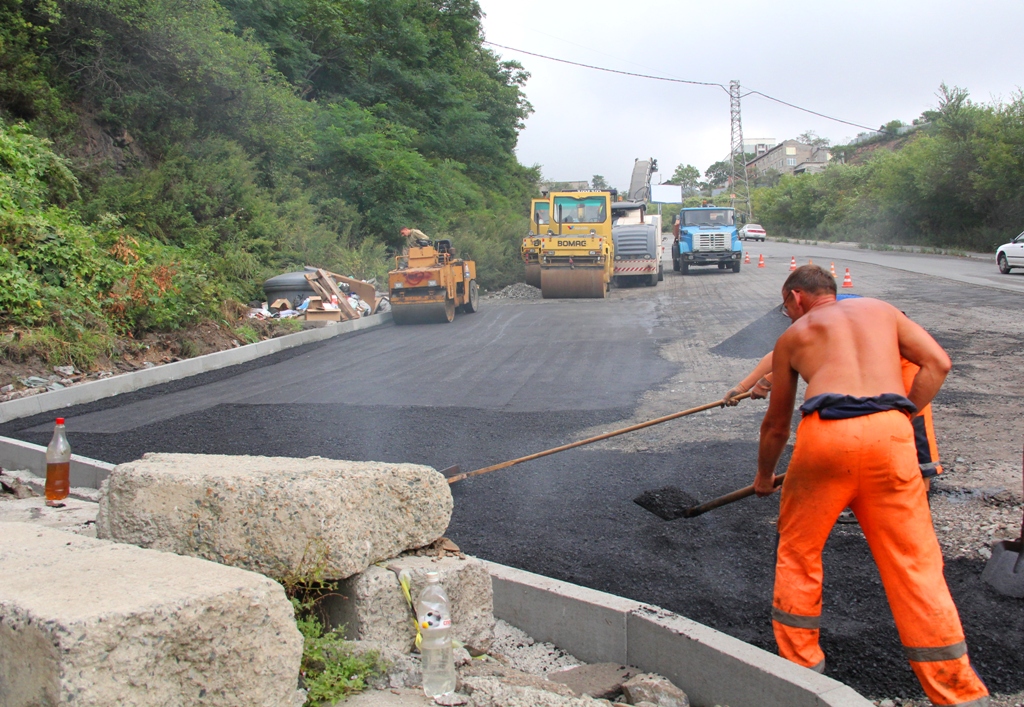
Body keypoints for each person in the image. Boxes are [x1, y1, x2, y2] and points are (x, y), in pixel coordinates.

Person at [753, 265, 988, 706]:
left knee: (799, 554)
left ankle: (801, 671)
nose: (787, 315)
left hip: (826, 439)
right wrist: (901, 415)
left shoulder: (794, 336)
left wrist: (764, 477)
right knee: (915, 564)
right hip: (892, 440)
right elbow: (939, 363)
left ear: (797, 298)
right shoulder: (882, 311)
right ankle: (959, 691)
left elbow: (776, 426)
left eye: (786, 306)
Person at [724, 306, 944, 492]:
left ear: (798, 299)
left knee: (911, 427)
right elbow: (782, 352)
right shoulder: (820, 314)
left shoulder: (833, 316)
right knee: (858, 427)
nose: (791, 319)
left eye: (791, 313)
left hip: (901, 363)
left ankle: (917, 495)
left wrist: (770, 379)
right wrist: (744, 386)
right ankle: (858, 489)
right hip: (865, 368)